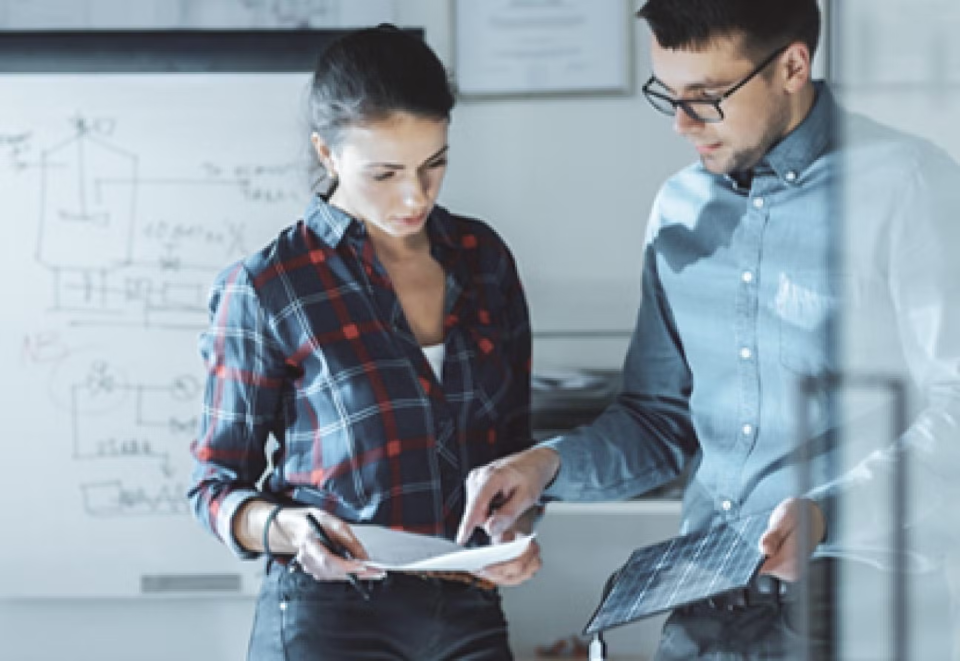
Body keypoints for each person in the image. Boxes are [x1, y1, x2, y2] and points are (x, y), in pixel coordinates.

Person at [456, 1, 960, 658]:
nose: (682, 124)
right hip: (705, 611)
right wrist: (544, 465)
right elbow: (657, 422)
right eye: (670, 95)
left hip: (862, 607)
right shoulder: (678, 209)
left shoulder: (909, 186)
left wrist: (826, 510)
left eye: (707, 97)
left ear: (792, 66)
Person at [188, 25, 540, 661]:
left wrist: (514, 529)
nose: (415, 196)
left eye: (435, 164)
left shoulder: (484, 260)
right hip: (329, 615)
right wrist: (290, 527)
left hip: (469, 607)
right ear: (327, 154)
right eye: (385, 173)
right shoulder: (268, 287)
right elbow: (214, 488)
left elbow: (513, 453)